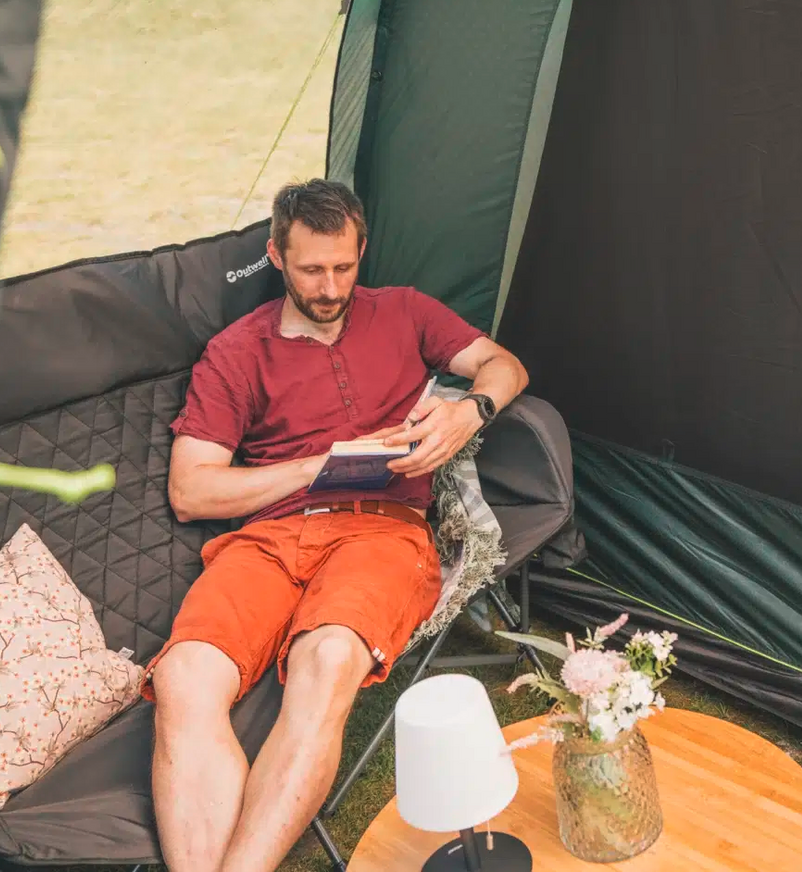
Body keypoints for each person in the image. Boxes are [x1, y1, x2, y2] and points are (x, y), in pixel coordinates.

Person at [143, 178, 530, 872]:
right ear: (277, 257)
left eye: (344, 267)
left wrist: (470, 410)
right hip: (267, 539)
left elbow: (504, 366)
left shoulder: (406, 312)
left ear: (361, 253)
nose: (329, 287)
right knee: (184, 678)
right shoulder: (237, 352)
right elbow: (191, 492)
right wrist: (317, 466)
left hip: (381, 531)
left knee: (325, 660)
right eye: (311, 269)